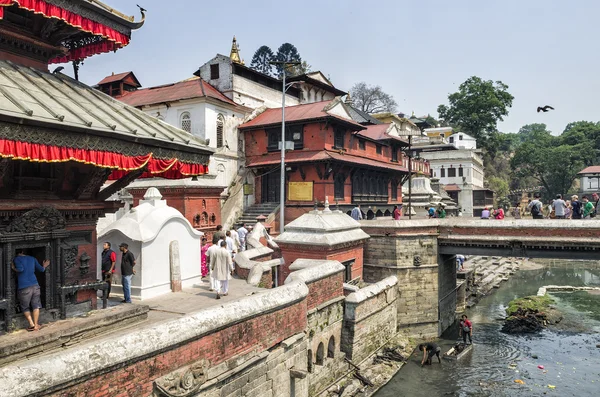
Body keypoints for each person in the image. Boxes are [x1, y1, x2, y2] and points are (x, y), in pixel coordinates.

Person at [11, 250, 50, 331]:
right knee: (36, 305)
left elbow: (20, 269)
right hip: (35, 285)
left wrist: (14, 268)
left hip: (24, 287)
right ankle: (36, 325)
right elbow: (41, 270)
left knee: (25, 307)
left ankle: (31, 324)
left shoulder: (17, 259)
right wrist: (44, 266)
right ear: (23, 251)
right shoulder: (32, 258)